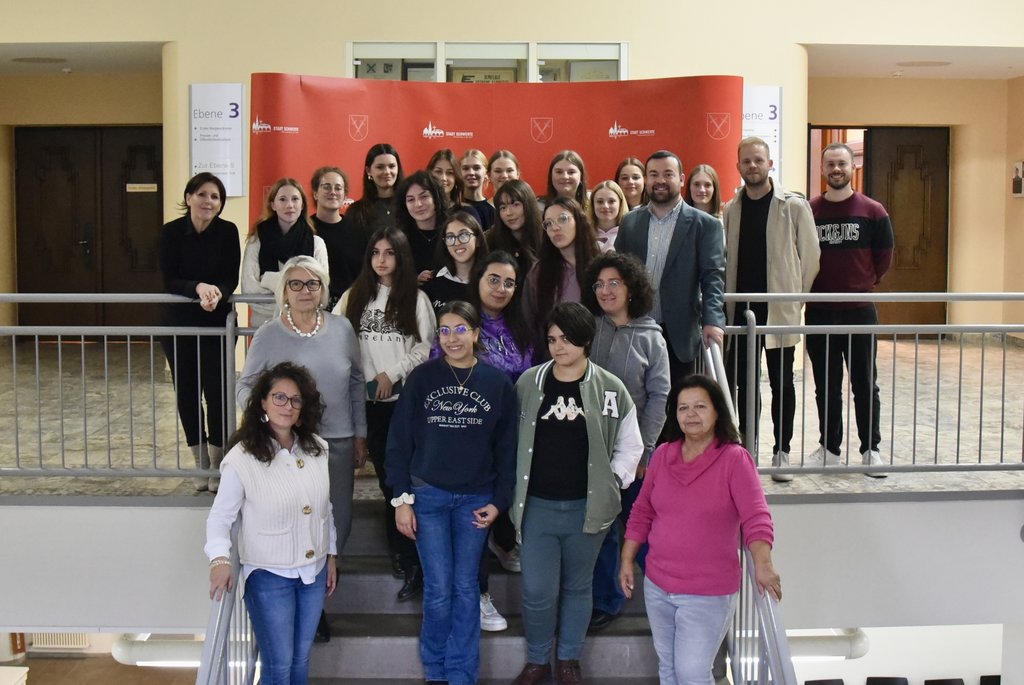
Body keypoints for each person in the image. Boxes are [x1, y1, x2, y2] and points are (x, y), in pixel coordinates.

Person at [510, 302, 643, 685]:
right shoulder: (528, 383)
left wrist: (611, 481)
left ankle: (568, 659)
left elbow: (630, 445)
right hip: (536, 508)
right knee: (537, 589)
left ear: (585, 340)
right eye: (552, 339)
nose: (558, 347)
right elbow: (509, 439)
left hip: (588, 509)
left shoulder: (611, 388)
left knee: (578, 586)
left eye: (566, 339)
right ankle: (537, 660)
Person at [237, 255, 367, 643]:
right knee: (297, 521)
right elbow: (246, 387)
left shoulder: (342, 329)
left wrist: (360, 433)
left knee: (337, 522)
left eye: (313, 283)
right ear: (284, 292)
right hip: (287, 448)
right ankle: (308, 606)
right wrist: (270, 421)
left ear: (323, 289)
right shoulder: (268, 334)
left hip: (338, 441)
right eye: (296, 284)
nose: (305, 291)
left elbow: (356, 383)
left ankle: (318, 595)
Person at [386, 300, 517, 685]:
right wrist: (401, 499)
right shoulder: (422, 379)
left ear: (476, 333)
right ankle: (436, 670)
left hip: (476, 501)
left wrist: (499, 501)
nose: (452, 338)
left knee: (465, 588)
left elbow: (508, 450)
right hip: (428, 497)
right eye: (444, 330)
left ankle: (462, 674)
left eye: (461, 329)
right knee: (439, 589)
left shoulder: (497, 384)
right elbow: (399, 443)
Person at [620, 375, 781, 685]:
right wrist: (627, 558)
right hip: (658, 586)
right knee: (669, 670)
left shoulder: (735, 460)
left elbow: (756, 517)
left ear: (717, 411)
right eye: (683, 408)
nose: (691, 414)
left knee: (692, 674)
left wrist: (764, 564)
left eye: (700, 407)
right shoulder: (663, 455)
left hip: (708, 593)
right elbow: (642, 512)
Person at [206, 362, 337, 685]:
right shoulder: (242, 458)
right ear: (263, 402)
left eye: (295, 400)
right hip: (269, 577)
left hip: (313, 573)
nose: (287, 406)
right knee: (278, 666)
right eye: (279, 397)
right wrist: (220, 559)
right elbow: (221, 517)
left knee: (300, 659)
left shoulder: (317, 448)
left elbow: (325, 509)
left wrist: (330, 555)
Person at [335, 226, 436, 601]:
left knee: (403, 481)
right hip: (367, 407)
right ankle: (405, 557)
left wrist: (390, 374)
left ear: (401, 256)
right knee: (388, 483)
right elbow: (336, 338)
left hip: (404, 406)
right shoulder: (353, 296)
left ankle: (411, 560)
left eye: (389, 252)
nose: (381, 259)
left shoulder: (416, 299)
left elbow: (425, 348)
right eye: (376, 252)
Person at [580, 251, 670, 633]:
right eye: (599, 284)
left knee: (639, 524)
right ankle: (607, 600)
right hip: (591, 449)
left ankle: (666, 594)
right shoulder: (589, 328)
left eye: (614, 283)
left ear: (631, 288)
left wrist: (644, 451)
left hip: (634, 452)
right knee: (602, 527)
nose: (605, 291)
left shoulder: (652, 338)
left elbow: (659, 397)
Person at [722, 138, 819, 482]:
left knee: (782, 383)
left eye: (758, 160)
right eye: (746, 161)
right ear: (738, 166)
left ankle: (782, 451)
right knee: (744, 385)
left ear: (770, 163)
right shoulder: (732, 209)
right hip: (741, 312)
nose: (753, 166)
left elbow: (811, 258)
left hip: (778, 312)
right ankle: (747, 450)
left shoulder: (793, 206)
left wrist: (794, 299)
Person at [806, 142, 894, 477]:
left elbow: (883, 257)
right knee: (826, 385)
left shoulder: (873, 211)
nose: (836, 169)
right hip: (820, 311)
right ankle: (829, 448)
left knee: (864, 384)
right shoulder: (810, 211)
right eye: (830, 164)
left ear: (851, 166)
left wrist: (864, 282)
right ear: (822, 169)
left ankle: (871, 450)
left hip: (859, 310)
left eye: (841, 164)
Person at [465, 251, 535, 631]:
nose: (501, 288)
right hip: (469, 433)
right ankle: (479, 595)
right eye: (494, 279)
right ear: (477, 279)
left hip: (514, 431)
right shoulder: (462, 322)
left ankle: (505, 541)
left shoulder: (523, 326)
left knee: (508, 496)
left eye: (509, 282)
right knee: (476, 513)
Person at [615, 150, 726, 387]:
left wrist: (713, 321)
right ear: (646, 179)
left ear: (682, 179)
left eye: (668, 174)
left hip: (679, 334)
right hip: (635, 330)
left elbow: (713, 279)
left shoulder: (706, 225)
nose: (660, 180)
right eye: (654, 174)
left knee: (678, 401)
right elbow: (618, 273)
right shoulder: (630, 222)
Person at [159, 172, 240, 492]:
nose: (209, 201)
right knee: (187, 392)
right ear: (189, 197)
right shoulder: (171, 232)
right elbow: (170, 279)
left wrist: (217, 293)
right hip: (178, 322)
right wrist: (198, 287)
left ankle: (218, 462)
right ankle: (200, 462)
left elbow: (230, 277)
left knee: (217, 392)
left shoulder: (228, 231)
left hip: (216, 321)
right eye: (202, 194)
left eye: (215, 196)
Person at [241, 178, 328, 328]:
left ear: (302, 205)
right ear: (273, 205)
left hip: (304, 327)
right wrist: (296, 299)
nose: (290, 205)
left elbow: (320, 290)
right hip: (264, 327)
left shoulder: (316, 243)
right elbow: (250, 292)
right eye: (282, 199)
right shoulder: (256, 241)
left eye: (295, 199)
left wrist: (268, 279)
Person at [522, 197, 599, 355]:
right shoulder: (538, 272)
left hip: (598, 354)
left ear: (579, 220)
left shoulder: (601, 265)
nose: (555, 228)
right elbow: (529, 323)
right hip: (554, 357)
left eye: (562, 219)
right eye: (548, 224)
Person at [309, 166, 365, 312]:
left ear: (345, 195)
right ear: (315, 193)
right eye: (326, 187)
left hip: (351, 307)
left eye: (338, 188)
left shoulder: (358, 231)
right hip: (314, 308)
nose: (333, 192)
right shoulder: (304, 230)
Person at [422, 211, 489, 315]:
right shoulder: (432, 281)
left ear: (478, 240)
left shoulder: (489, 282)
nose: (457, 242)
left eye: (464, 235)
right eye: (450, 237)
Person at [396, 170, 449, 284]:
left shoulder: (451, 231)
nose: (418, 204)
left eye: (424, 197)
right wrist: (413, 281)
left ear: (436, 198)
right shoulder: (399, 238)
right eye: (411, 199)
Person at [486, 179, 544, 278]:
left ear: (528, 205)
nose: (509, 213)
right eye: (503, 208)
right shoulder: (491, 241)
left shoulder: (546, 237)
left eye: (516, 205)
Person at [345, 143, 404, 240]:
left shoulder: (409, 206)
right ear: (368, 171)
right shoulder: (356, 211)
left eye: (392, 166)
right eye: (380, 167)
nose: (387, 172)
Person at [428, 148, 482, 224]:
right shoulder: (421, 211)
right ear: (429, 175)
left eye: (449, 173)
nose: (443, 178)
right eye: (438, 171)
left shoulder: (468, 212)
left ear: (456, 178)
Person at [461, 149, 496, 228]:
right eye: (465, 168)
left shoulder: (493, 212)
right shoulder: (452, 209)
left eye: (477, 168)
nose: (471, 172)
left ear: (486, 173)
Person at [588, 180, 628, 251]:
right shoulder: (583, 234)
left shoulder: (629, 234)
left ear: (620, 203)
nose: (605, 206)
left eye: (611, 201)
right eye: (600, 202)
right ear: (592, 204)